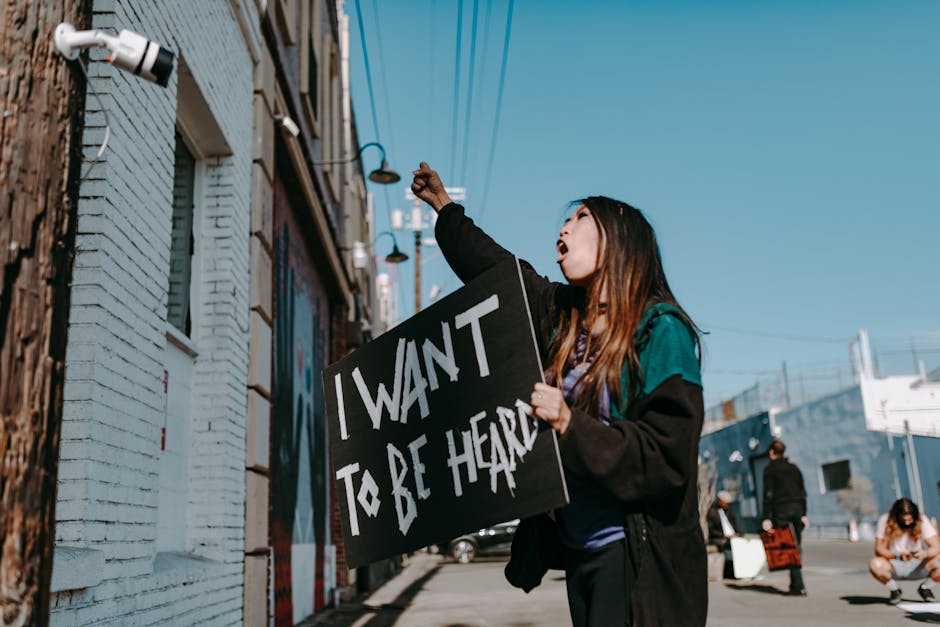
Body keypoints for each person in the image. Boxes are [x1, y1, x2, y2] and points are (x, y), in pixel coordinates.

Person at [411, 162, 706, 627]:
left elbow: (667, 459)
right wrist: (444, 208)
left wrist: (570, 424)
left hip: (635, 559)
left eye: (581, 217)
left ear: (618, 240)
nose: (564, 228)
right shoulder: (563, 318)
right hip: (579, 552)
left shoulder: (659, 331)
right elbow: (499, 274)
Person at [868, 497, 940, 605]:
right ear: (896, 517)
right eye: (903, 520)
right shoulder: (885, 520)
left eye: (910, 520)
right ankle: (895, 590)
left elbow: (936, 546)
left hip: (918, 564)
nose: (906, 523)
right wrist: (896, 555)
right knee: (875, 564)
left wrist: (925, 553)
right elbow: (879, 549)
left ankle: (925, 588)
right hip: (895, 564)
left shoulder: (922, 519)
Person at [761, 439, 808, 596]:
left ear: (771, 452)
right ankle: (796, 583)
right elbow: (802, 492)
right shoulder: (794, 468)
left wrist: (766, 517)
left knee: (789, 547)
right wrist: (804, 514)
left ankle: (798, 585)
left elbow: (768, 495)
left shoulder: (770, 470)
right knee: (796, 546)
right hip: (797, 509)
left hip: (781, 510)